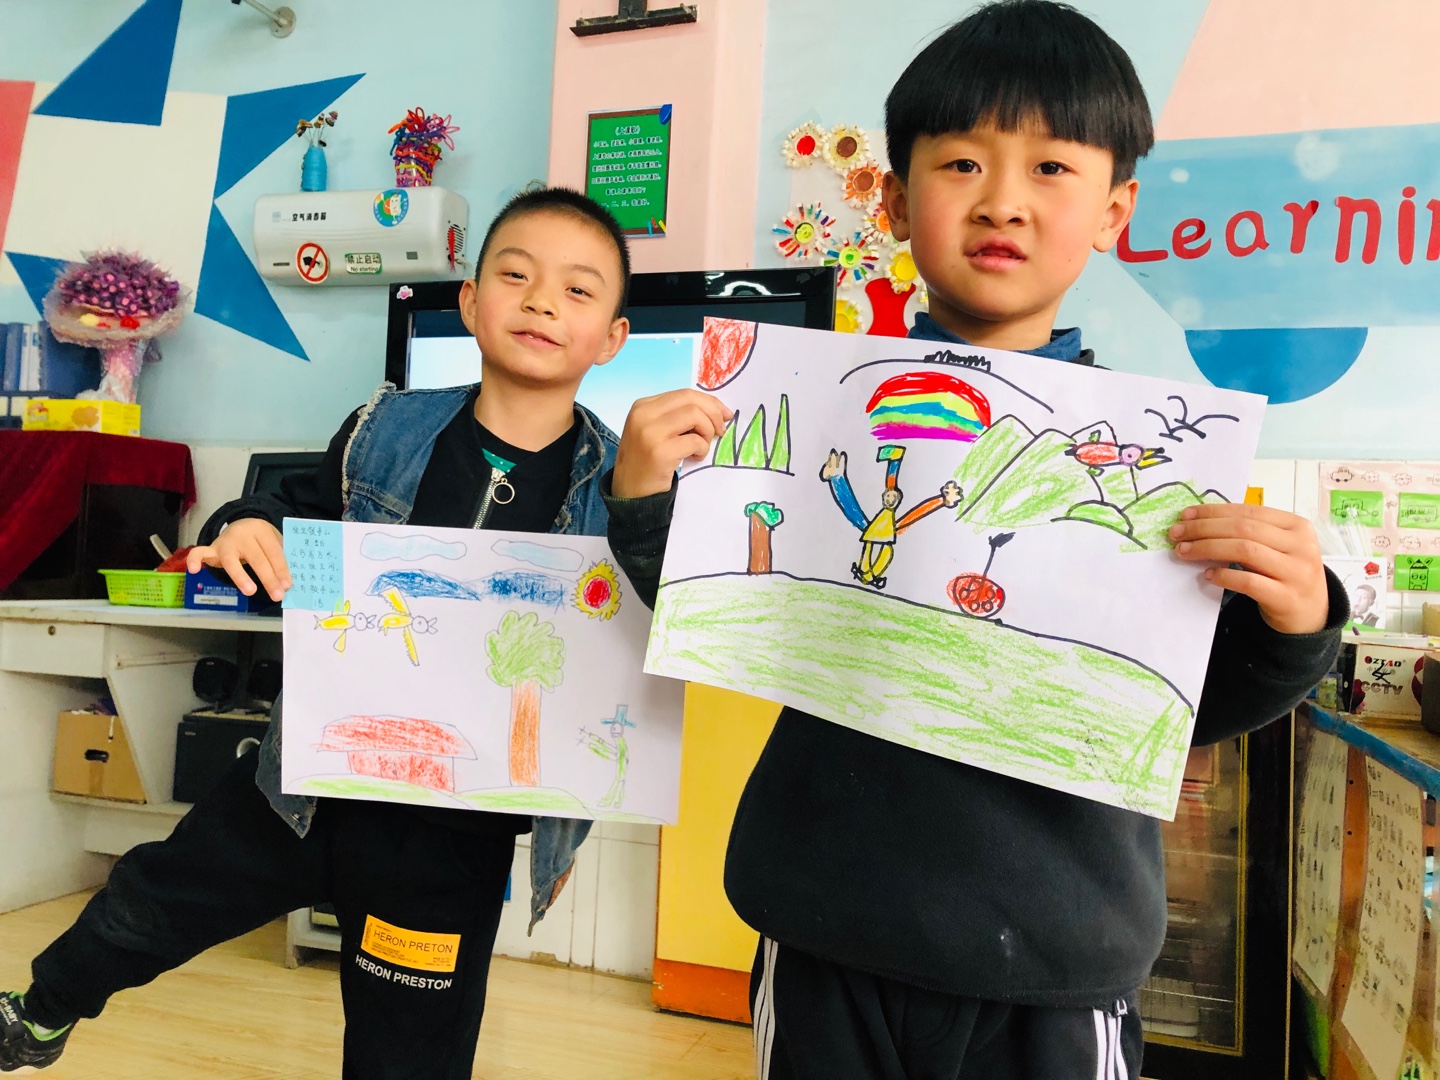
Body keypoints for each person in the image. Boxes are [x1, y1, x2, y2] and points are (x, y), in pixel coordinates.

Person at [600, 4, 1348, 1077]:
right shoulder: (822, 406)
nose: (1002, 200)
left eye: (1051, 167)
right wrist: (644, 504)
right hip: (825, 928)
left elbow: (1181, 706)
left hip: (1055, 962)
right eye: (961, 162)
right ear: (897, 203)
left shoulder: (1145, 463)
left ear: (1114, 210)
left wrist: (1297, 621)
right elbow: (732, 617)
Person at [0, 185, 634, 1079]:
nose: (540, 302)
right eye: (515, 275)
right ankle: (40, 1012)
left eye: (578, 289)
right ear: (469, 301)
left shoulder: (620, 489)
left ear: (612, 337)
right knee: (148, 902)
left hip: (451, 837)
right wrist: (245, 525)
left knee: (408, 1051)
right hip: (301, 786)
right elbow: (285, 515)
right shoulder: (386, 431)